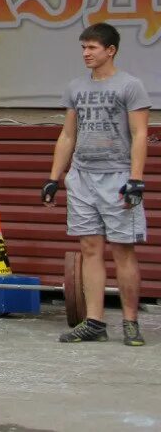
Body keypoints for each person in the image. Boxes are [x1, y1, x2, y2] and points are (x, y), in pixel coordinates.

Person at [42, 22, 150, 347]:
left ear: (110, 50)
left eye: (92, 48)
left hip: (117, 177)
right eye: (83, 48)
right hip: (82, 178)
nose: (86, 54)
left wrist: (136, 179)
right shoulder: (76, 87)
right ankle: (94, 321)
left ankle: (130, 322)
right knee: (89, 249)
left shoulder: (130, 86)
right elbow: (67, 135)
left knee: (122, 251)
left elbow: (141, 134)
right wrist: (53, 178)